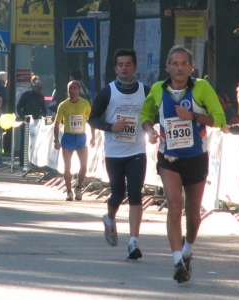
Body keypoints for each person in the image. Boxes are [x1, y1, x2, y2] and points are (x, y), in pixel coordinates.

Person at [140, 45, 226, 283]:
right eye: (174, 64)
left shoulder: (201, 88)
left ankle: (187, 251)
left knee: (193, 214)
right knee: (175, 207)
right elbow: (145, 116)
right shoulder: (158, 89)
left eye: (183, 64)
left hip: (196, 157)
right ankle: (177, 261)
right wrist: (149, 131)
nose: (179, 68)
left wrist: (194, 116)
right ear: (167, 67)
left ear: (191, 67)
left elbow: (220, 120)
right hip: (169, 159)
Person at [89, 49, 151, 261]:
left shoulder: (145, 90)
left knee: (135, 193)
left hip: (137, 151)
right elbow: (93, 119)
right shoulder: (108, 92)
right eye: (120, 65)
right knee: (118, 193)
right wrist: (110, 127)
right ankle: (109, 218)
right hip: (114, 152)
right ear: (115, 68)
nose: (124, 68)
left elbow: (153, 115)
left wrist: (152, 131)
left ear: (135, 67)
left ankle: (133, 242)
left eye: (128, 64)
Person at [54, 80, 95, 201]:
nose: (71, 91)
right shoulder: (63, 105)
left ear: (79, 90)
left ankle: (78, 187)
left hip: (81, 137)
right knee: (68, 166)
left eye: (74, 88)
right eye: (69, 89)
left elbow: (91, 120)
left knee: (83, 166)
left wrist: (93, 137)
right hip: (68, 137)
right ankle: (68, 191)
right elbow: (56, 124)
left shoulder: (85, 103)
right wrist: (56, 140)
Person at [16, 80, 46, 167]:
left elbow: (44, 109)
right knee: (24, 141)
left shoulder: (41, 97)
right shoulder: (26, 95)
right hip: (27, 121)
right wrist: (23, 117)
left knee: (35, 142)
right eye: (37, 87)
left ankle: (33, 161)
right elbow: (19, 106)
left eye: (40, 88)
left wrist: (42, 118)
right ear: (34, 86)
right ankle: (22, 161)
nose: (39, 90)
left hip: (36, 122)